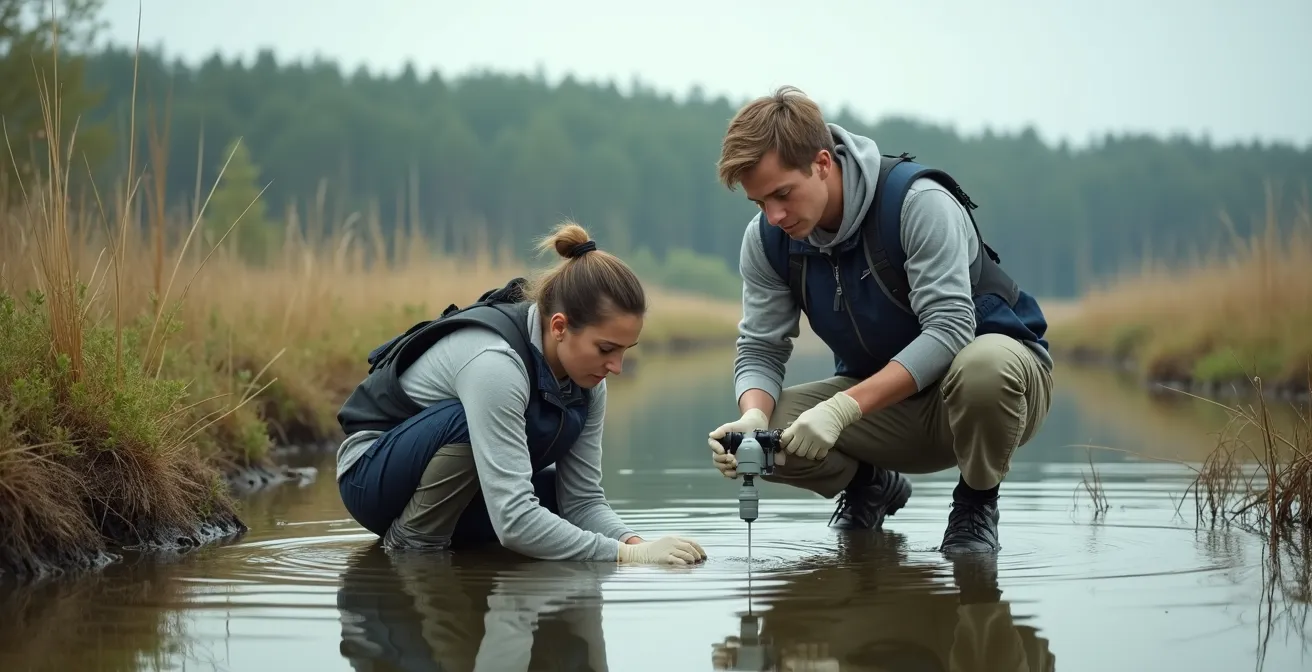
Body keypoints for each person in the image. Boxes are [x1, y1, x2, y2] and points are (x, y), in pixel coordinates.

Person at [707, 86, 1054, 555]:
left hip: (993, 392)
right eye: (759, 203)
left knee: (983, 368)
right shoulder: (767, 240)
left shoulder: (917, 204)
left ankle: (977, 503)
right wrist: (751, 416)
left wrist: (842, 408)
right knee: (766, 436)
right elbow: (760, 348)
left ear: (823, 163)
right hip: (885, 405)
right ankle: (871, 484)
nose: (774, 215)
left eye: (782, 194)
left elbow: (950, 329)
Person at [335, 220, 707, 566]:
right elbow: (513, 520)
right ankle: (413, 549)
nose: (616, 367)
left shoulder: (590, 382)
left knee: (555, 501)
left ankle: (460, 561)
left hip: (461, 485)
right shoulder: (495, 365)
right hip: (372, 476)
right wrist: (625, 559)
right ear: (559, 326)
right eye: (606, 349)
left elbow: (583, 501)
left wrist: (636, 545)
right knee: (471, 429)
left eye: (626, 350)